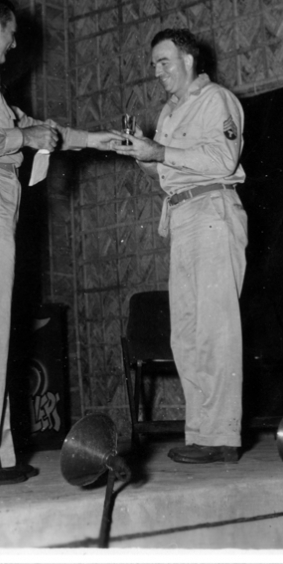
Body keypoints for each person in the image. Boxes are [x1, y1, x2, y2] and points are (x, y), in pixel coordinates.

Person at [0, 0, 111, 486]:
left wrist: (97, 141)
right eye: (10, 35)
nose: (12, 46)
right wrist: (22, 140)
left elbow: (39, 131)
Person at [113, 29, 248, 463]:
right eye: (154, 64)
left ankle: (223, 435)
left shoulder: (216, 101)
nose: (157, 71)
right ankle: (202, 434)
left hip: (213, 211)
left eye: (164, 62)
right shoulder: (171, 111)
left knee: (215, 329)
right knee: (186, 333)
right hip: (183, 216)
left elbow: (222, 161)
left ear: (189, 61)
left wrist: (161, 150)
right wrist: (144, 156)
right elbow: (167, 171)